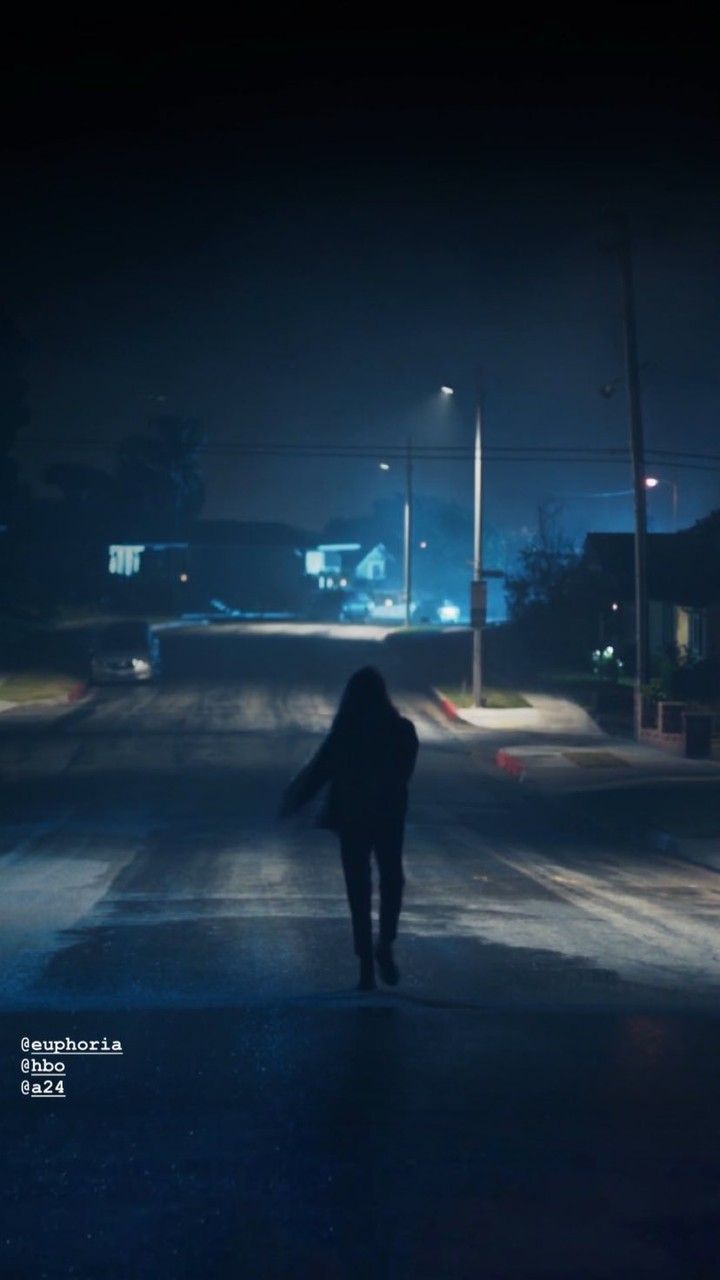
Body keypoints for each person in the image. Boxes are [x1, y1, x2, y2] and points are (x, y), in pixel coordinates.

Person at [279, 667, 419, 991]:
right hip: (387, 817)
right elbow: (403, 774)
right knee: (391, 880)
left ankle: (366, 964)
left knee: (358, 890)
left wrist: (295, 800)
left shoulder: (345, 733)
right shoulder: (401, 730)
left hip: (353, 819)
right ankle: (384, 941)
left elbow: (319, 772)